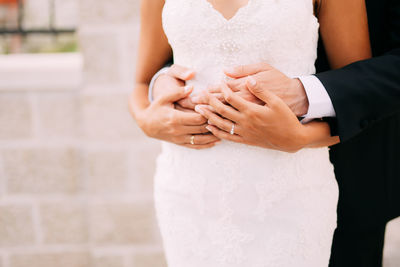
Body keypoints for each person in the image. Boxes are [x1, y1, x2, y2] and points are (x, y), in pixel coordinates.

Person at [128, 0, 371, 266]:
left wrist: (301, 137)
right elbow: (142, 82)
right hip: (188, 191)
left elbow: (359, 99)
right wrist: (146, 120)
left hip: (289, 193)